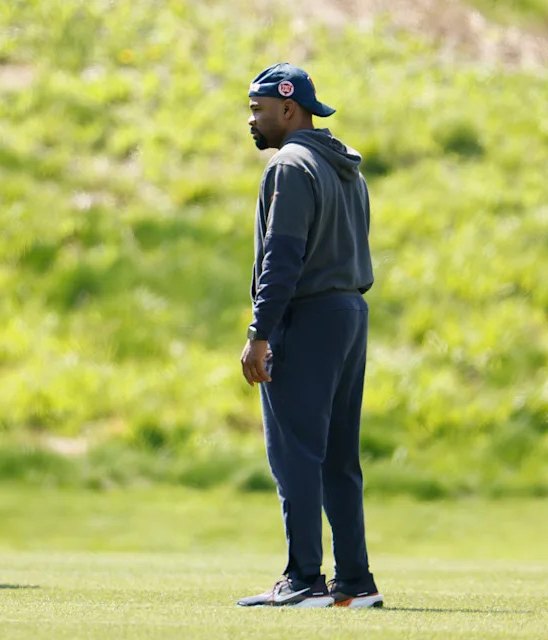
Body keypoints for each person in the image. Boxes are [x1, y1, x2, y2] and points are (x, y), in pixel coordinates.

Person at [236, 63, 382, 608]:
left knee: (295, 453)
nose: (252, 119)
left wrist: (260, 332)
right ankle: (355, 582)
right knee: (339, 456)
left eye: (258, 109)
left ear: (288, 109)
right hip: (349, 313)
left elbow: (284, 255)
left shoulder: (292, 166)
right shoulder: (345, 167)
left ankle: (302, 579)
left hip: (308, 318)